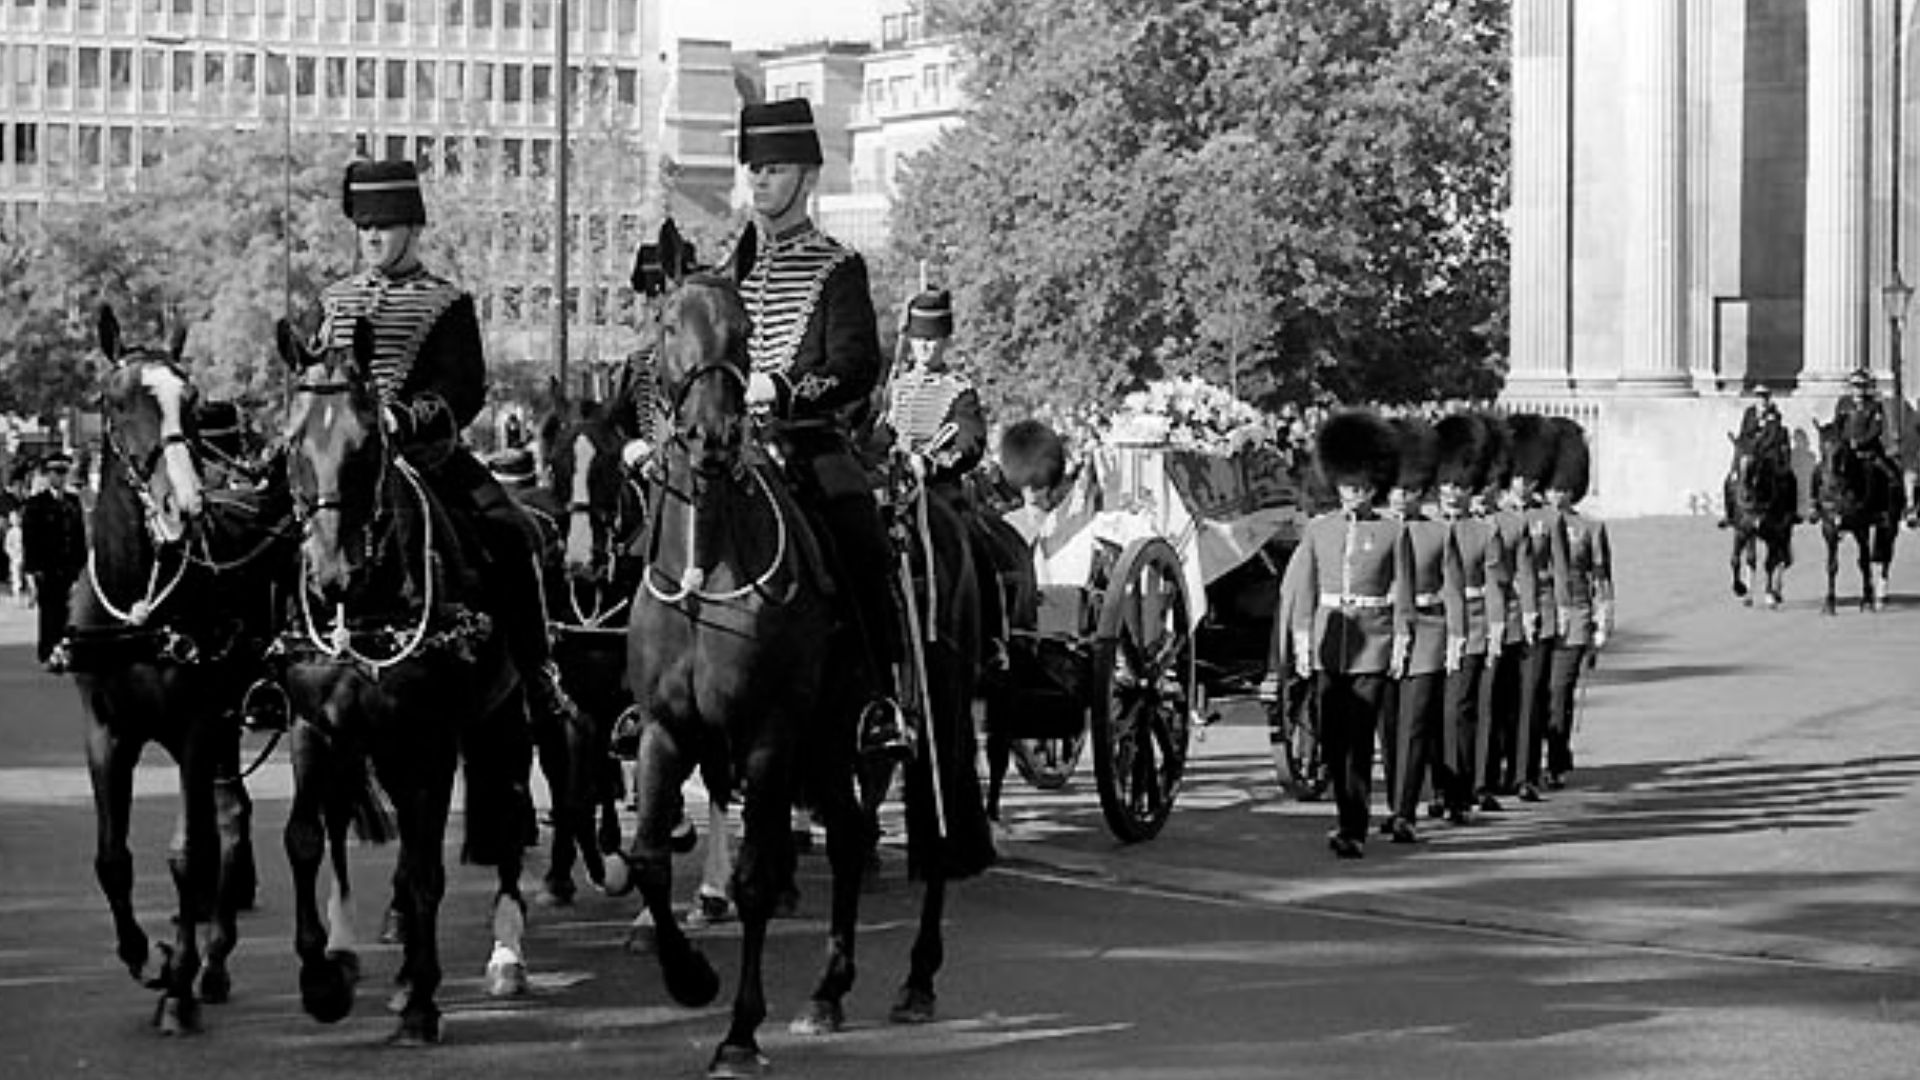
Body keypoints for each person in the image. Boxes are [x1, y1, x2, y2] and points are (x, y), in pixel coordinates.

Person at [316, 157, 579, 732]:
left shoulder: (447, 303)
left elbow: (463, 390)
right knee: (280, 523)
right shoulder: (333, 302)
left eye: (384, 226)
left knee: (512, 532)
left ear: (413, 229)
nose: (373, 238)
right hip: (344, 462)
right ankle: (268, 666)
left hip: (425, 457)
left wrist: (401, 419)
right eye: (365, 228)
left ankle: (538, 672)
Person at [726, 98, 908, 760]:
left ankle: (882, 696)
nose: (761, 182)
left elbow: (857, 365)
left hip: (809, 441)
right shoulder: (731, 269)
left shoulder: (839, 266)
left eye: (773, 170)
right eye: (755, 171)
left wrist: (784, 387)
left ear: (806, 178)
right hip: (730, 446)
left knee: (861, 541)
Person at [1274, 410, 1413, 860]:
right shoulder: (1320, 530)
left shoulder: (1392, 532)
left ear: (1374, 486)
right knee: (1334, 741)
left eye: (1360, 487)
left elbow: (1403, 591)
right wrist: (1300, 638)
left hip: (1372, 645)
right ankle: (1345, 814)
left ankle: (1353, 826)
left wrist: (1401, 640)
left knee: (1359, 739)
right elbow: (1306, 588)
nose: (1352, 494)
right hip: (1329, 643)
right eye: (1347, 486)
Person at [872, 288, 1024, 672]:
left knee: (976, 544)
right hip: (895, 491)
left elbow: (970, 441)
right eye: (920, 340)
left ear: (945, 341)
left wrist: (935, 465)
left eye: (933, 340)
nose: (925, 348)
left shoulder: (959, 390)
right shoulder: (897, 388)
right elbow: (881, 436)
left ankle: (992, 638)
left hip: (942, 492)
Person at [1379, 418, 1464, 845]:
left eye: (1409, 490)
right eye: (1394, 489)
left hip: (1426, 633)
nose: (1400, 498)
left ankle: (1405, 811)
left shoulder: (1436, 533)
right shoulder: (1374, 532)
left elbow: (1450, 586)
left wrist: (1456, 637)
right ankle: (1396, 799)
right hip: (1380, 634)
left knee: (1414, 726)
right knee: (1390, 729)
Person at [1435, 413, 1509, 824]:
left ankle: (1460, 791)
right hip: (1433, 629)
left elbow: (1496, 584)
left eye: (1460, 486)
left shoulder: (1483, 531)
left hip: (1475, 626)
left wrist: (1496, 630)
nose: (1451, 493)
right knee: (1432, 715)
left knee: (1460, 711)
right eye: (1446, 484)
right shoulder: (1424, 529)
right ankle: (1439, 785)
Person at [1542, 418, 1612, 790]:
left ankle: (1556, 757)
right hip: (1540, 615)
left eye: (1565, 489)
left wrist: (1601, 624)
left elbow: (1601, 578)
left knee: (1559, 691)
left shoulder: (1590, 528)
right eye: (1553, 489)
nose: (1558, 496)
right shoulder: (1533, 524)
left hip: (1577, 615)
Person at [21, 452, 88, 669]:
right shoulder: (36, 504)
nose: (60, 477)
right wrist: (32, 570)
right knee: (50, 612)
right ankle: (49, 652)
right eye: (55, 473)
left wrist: (82, 567)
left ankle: (66, 651)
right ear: (48, 475)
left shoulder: (73, 501)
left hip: (70, 568)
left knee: (70, 613)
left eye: (63, 472)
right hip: (47, 569)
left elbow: (78, 536)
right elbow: (29, 539)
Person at [1831, 367, 1903, 504]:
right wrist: (1841, 441)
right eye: (1856, 385)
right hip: (1846, 448)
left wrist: (1860, 442)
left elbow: (1876, 429)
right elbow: (1837, 425)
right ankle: (1817, 504)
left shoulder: (1874, 405)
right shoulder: (1843, 403)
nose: (1859, 389)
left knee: (1891, 475)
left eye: (1862, 385)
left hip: (1869, 450)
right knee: (1823, 471)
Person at [1721, 386, 1787, 527]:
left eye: (1764, 396)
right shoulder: (1750, 412)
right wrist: (1756, 426)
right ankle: (1730, 514)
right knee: (1729, 481)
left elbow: (1774, 435)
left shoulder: (1774, 414)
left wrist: (1762, 443)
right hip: (1750, 450)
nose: (1762, 399)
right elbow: (1744, 432)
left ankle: (1788, 512)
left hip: (1767, 452)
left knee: (1787, 479)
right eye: (1759, 396)